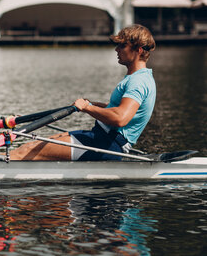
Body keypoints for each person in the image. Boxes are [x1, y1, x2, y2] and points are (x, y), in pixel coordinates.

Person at [10, 24, 156, 161]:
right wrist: (92, 104)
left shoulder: (138, 82)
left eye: (122, 46)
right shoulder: (138, 78)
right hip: (101, 137)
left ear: (139, 50)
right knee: (32, 146)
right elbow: (119, 108)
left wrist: (87, 108)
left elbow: (120, 118)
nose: (117, 49)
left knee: (27, 150)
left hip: (106, 145)